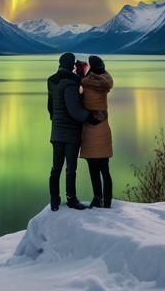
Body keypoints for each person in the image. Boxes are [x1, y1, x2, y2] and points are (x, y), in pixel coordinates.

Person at [47, 51, 100, 211]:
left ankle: (54, 199)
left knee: (56, 168)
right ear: (70, 65)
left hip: (56, 131)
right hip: (70, 133)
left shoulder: (52, 80)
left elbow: (50, 107)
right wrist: (90, 117)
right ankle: (71, 199)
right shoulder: (70, 82)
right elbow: (74, 110)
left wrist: (56, 119)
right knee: (70, 168)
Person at [79, 55, 114, 208]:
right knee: (105, 169)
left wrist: (81, 72)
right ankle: (107, 201)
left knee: (93, 168)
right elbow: (104, 80)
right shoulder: (106, 81)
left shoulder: (85, 82)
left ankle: (96, 198)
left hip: (90, 127)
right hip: (103, 126)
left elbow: (79, 95)